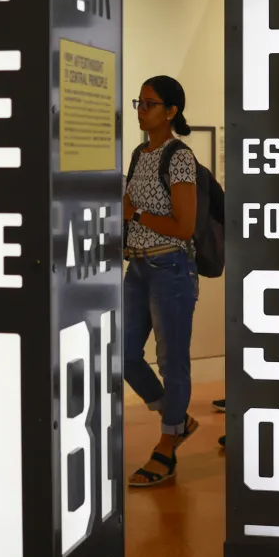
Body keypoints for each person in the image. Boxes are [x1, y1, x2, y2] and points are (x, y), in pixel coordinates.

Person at [124, 76, 199, 487]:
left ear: (170, 111)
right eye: (140, 101)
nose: (142, 109)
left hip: (170, 268)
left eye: (150, 103)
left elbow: (184, 226)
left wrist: (134, 216)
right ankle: (175, 417)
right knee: (124, 355)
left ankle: (166, 447)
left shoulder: (179, 157)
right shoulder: (139, 154)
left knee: (172, 361)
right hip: (136, 268)